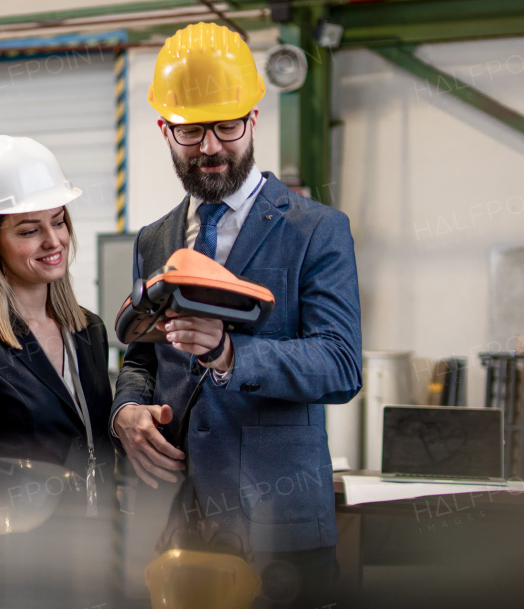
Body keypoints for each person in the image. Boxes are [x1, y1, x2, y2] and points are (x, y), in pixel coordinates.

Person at [111, 23, 363, 608]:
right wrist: (126, 410)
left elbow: (340, 364)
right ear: (164, 130)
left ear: (253, 118)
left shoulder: (318, 231)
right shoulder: (154, 240)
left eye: (226, 126)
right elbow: (141, 355)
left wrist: (230, 355)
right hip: (176, 520)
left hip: (277, 528)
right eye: (190, 130)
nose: (210, 147)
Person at [0, 135, 114, 512]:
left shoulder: (88, 329)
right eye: (30, 231)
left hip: (93, 547)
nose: (54, 241)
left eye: (59, 222)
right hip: (16, 557)